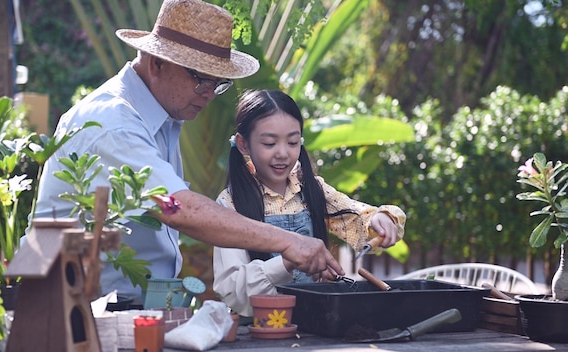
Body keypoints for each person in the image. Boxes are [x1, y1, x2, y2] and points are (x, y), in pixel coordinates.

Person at [31, 0, 343, 304]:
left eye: (217, 84)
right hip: (77, 308)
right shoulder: (114, 122)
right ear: (157, 64)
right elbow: (177, 208)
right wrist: (288, 240)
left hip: (127, 304)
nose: (209, 95)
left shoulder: (163, 117)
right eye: (201, 81)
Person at [213, 89, 407, 316]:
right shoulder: (229, 205)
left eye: (293, 142)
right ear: (243, 145)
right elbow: (233, 291)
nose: (283, 153)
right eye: (269, 144)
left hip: (314, 324)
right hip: (260, 330)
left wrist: (378, 219)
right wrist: (287, 261)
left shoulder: (312, 189)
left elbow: (357, 218)